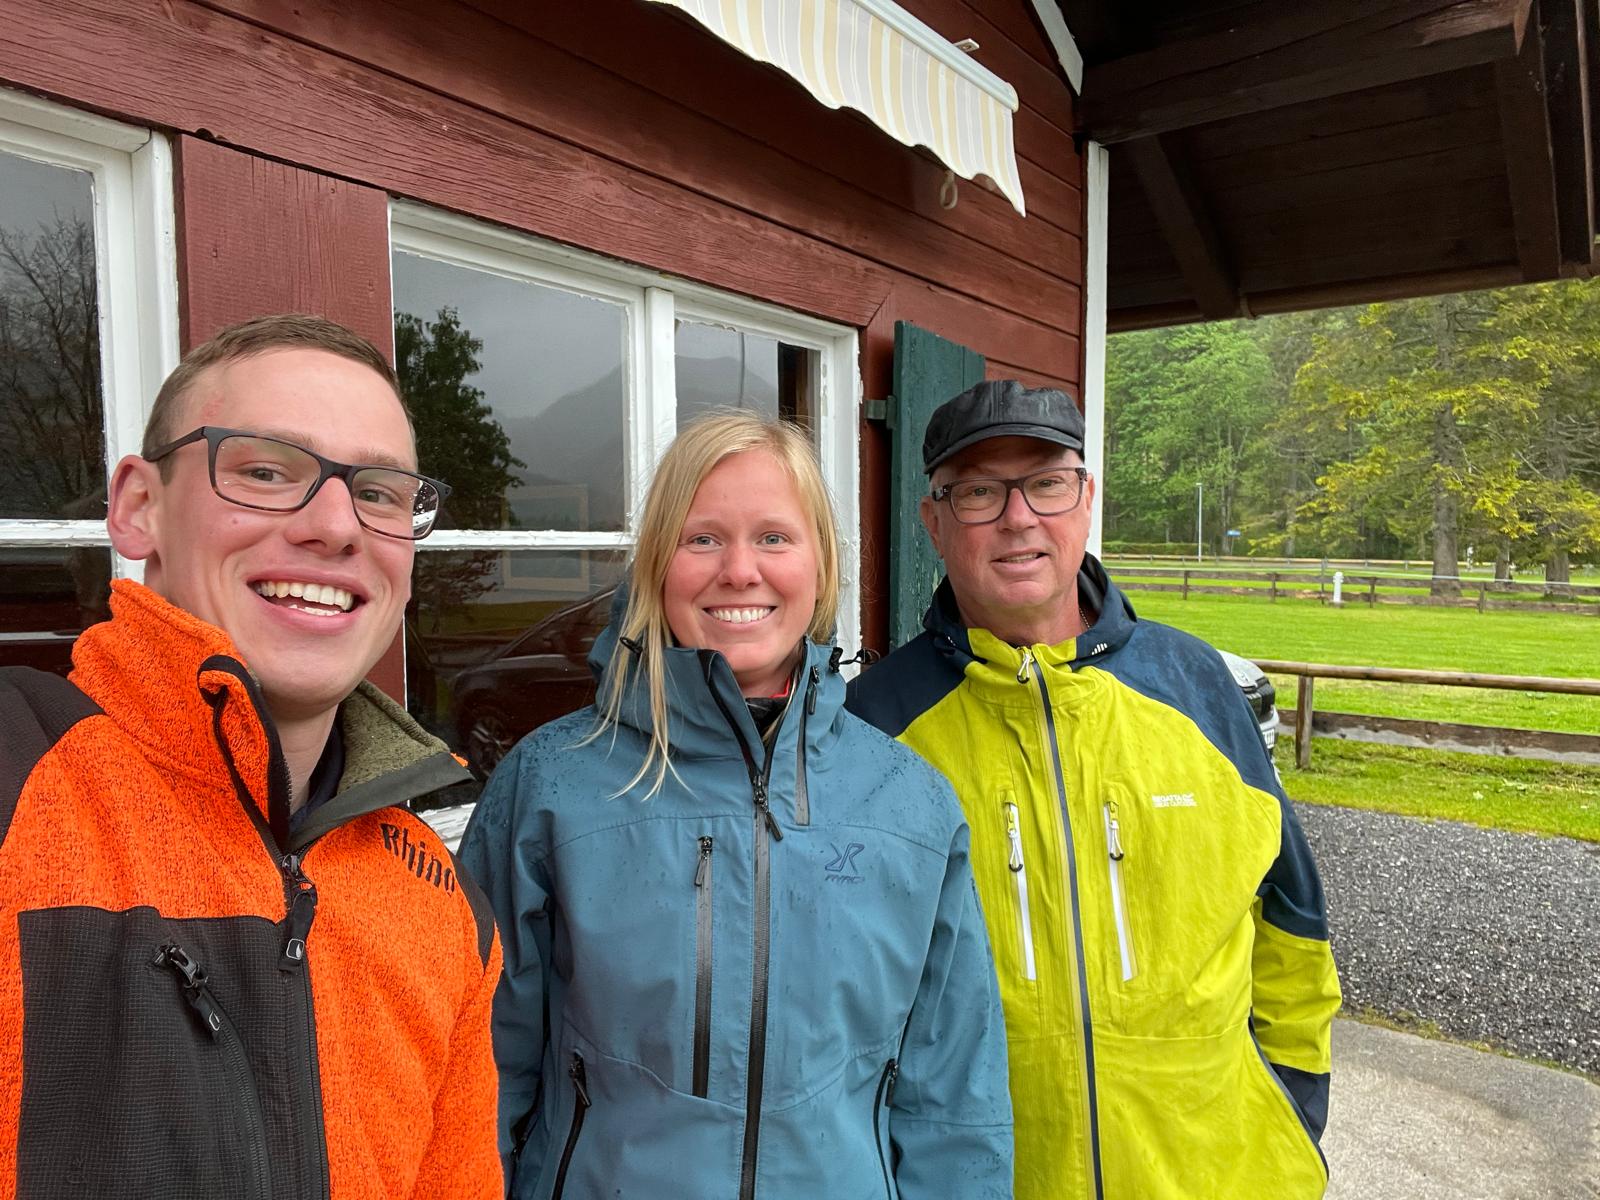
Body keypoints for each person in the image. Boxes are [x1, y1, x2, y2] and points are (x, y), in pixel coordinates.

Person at [0, 315, 502, 1198]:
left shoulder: (444, 902)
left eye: (380, 493)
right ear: (139, 507)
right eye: (267, 471)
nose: (336, 526)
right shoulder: (16, 782)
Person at [458, 412, 1012, 1200]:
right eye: (703, 539)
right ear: (657, 565)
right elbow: (478, 1076)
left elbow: (955, 1100)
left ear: (821, 566)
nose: (740, 570)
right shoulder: (550, 787)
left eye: (774, 538)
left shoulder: (909, 805)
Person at [847, 379, 1341, 1200]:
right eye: (979, 491)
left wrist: (1291, 1111)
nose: (1018, 517)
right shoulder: (875, 724)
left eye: (1046, 483)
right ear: (933, 521)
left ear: (1086, 500)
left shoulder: (1196, 687)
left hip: (1216, 1175)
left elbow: (1292, 920)